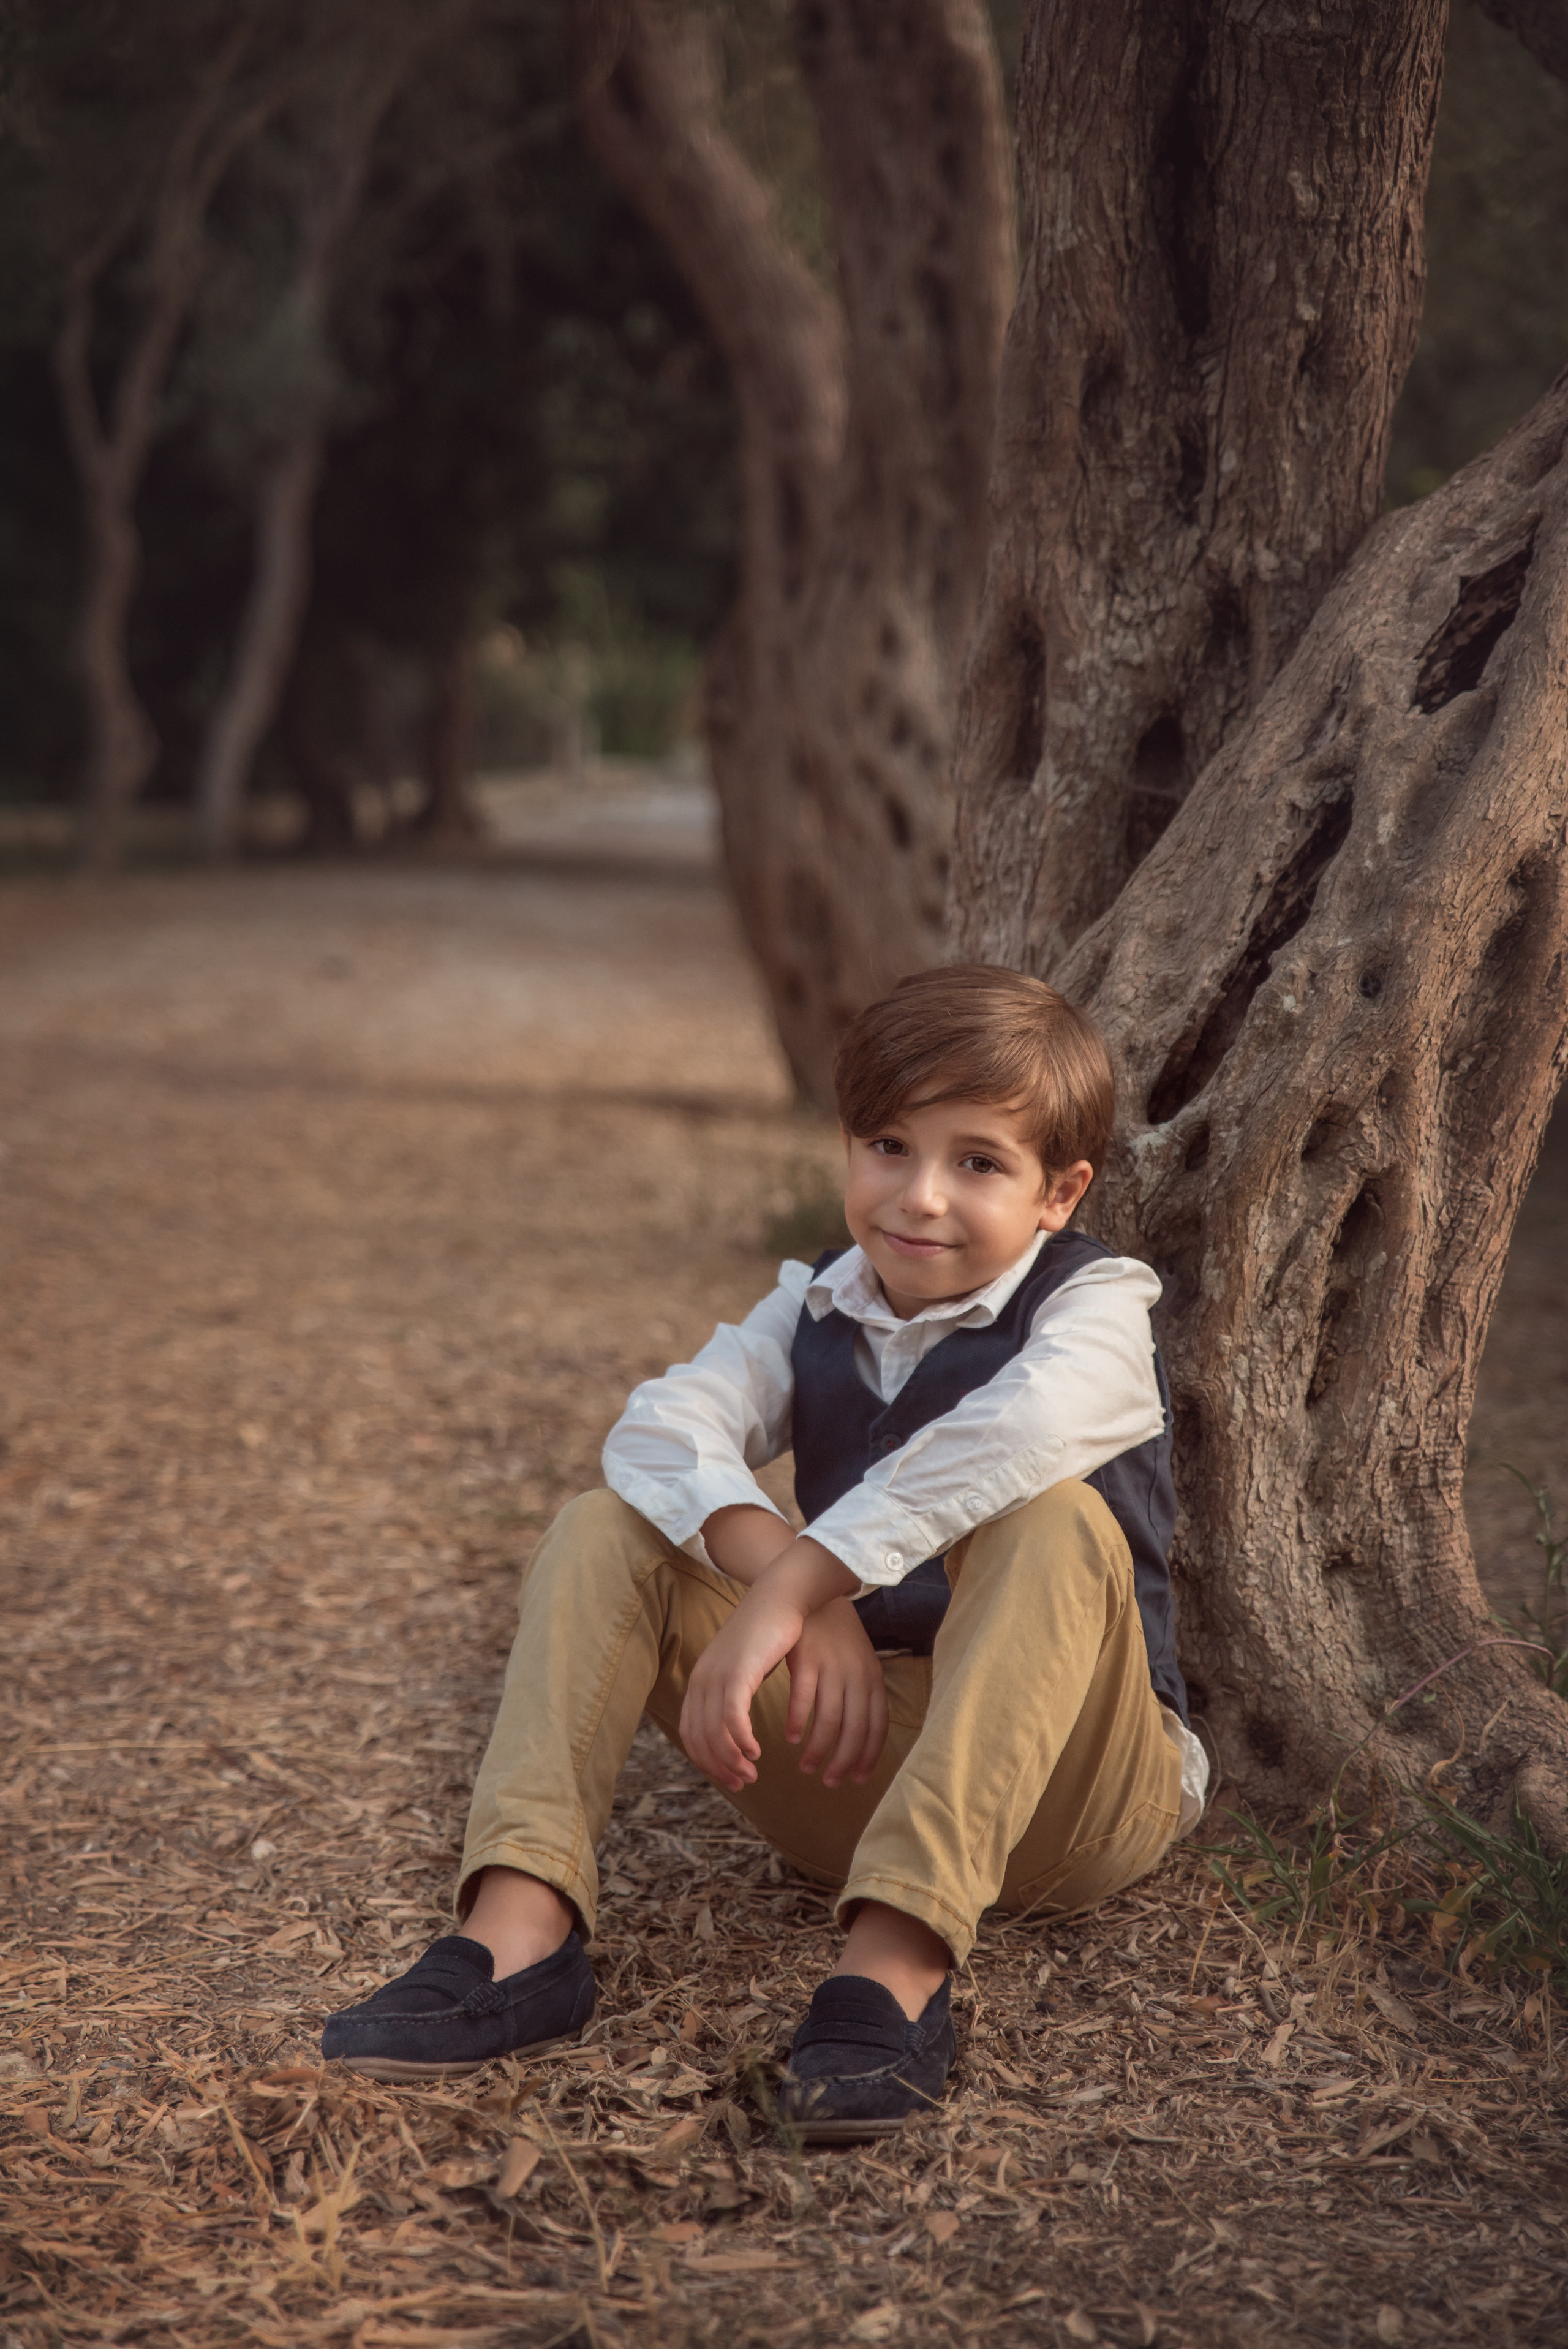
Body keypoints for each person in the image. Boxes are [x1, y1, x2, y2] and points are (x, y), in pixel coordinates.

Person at [321, 964, 1208, 2138]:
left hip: (1078, 1789)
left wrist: (795, 1582)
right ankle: (521, 1928)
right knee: (605, 1524)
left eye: (979, 1161)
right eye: (888, 1144)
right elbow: (658, 1428)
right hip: (860, 1766)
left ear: (1061, 1191)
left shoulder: (1095, 1307)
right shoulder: (816, 1309)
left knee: (1051, 1515)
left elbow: (1022, 1432)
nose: (921, 1195)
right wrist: (801, 1586)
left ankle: (892, 1967)